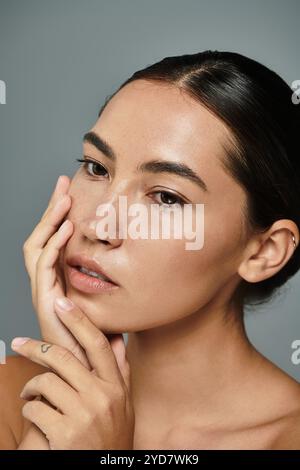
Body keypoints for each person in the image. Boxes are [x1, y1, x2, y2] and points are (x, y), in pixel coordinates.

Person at [1, 50, 300, 449]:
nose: (98, 226)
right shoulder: (10, 397)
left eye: (166, 197)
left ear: (264, 251)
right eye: (96, 167)